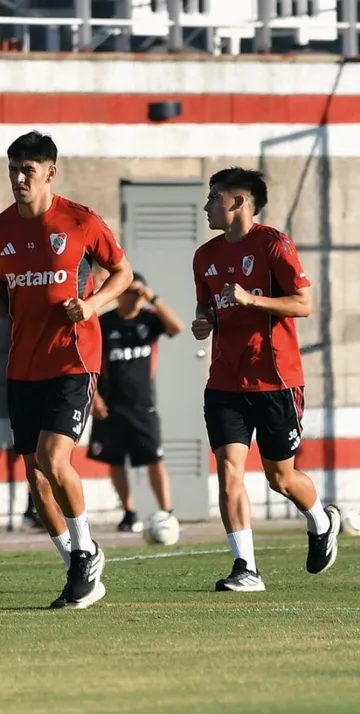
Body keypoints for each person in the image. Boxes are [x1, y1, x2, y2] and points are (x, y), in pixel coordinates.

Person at [0, 131, 133, 610]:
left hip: (73, 359)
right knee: (35, 475)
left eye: (29, 171)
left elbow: (123, 273)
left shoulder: (80, 220)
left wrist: (94, 304)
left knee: (55, 459)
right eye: (14, 170)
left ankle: (87, 552)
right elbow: (3, 303)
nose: (19, 179)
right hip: (24, 363)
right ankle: (77, 564)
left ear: (50, 173)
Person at [192, 167, 341, 591]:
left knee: (281, 478)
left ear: (239, 201)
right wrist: (204, 321)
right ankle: (246, 568)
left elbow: (303, 303)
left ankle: (320, 520)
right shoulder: (204, 256)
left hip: (276, 380)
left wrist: (251, 298)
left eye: (214, 197)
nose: (207, 205)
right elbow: (207, 307)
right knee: (229, 471)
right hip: (225, 382)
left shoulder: (273, 244)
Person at [88, 272, 182, 532]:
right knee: (115, 461)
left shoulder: (150, 320)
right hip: (110, 406)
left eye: (140, 292)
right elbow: (89, 362)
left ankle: (167, 513)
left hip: (143, 406)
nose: (137, 298)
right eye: (132, 292)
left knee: (154, 458)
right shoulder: (104, 323)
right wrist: (94, 396)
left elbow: (177, 327)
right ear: (120, 294)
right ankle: (129, 513)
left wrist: (153, 297)